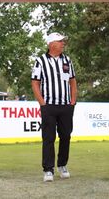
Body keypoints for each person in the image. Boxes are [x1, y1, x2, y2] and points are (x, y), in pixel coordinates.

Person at [31, 32, 77, 182]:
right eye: (60, 41)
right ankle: (48, 170)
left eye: (64, 41)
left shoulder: (67, 60)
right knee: (48, 138)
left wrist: (72, 102)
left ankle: (62, 165)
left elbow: (72, 82)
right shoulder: (40, 61)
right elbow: (35, 83)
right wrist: (42, 104)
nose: (63, 43)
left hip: (66, 106)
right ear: (51, 44)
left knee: (66, 136)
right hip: (49, 106)